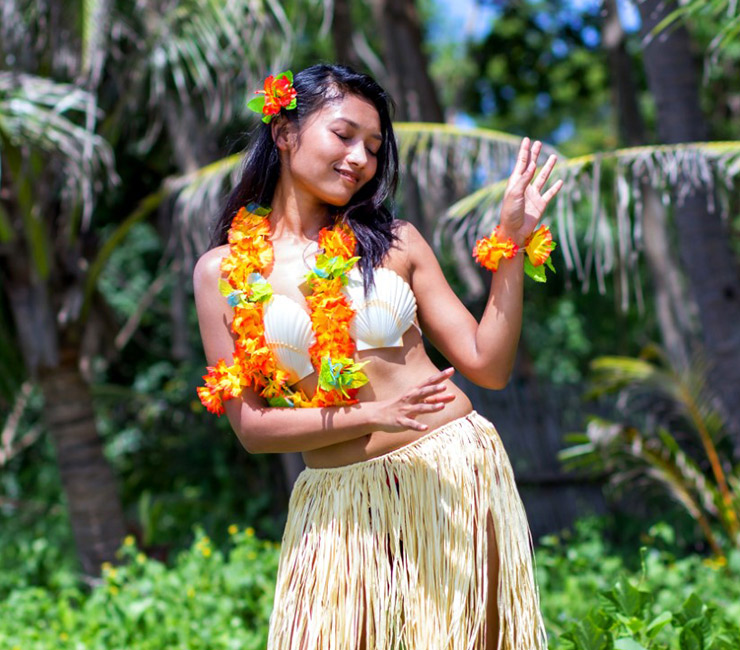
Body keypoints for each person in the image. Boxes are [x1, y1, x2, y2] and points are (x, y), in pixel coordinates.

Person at [194, 63, 562, 650]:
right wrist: (373, 416)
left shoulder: (395, 243)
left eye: (373, 146)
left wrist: (512, 242)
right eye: (343, 136)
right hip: (335, 501)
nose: (361, 159)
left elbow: (487, 363)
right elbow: (253, 429)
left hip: (448, 474)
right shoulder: (222, 274)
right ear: (285, 132)